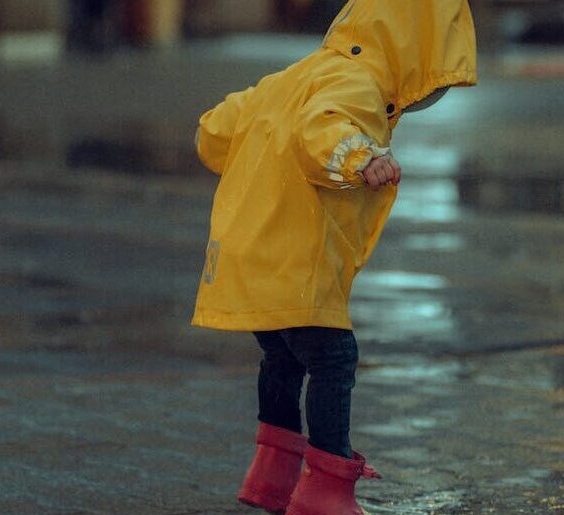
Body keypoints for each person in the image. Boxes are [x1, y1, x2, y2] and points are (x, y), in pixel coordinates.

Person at [191, 1, 477, 513]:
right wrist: (360, 157)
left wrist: (262, 142)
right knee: (333, 358)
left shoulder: (294, 75)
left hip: (250, 252)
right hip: (295, 261)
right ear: (410, 54)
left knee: (281, 356)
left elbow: (215, 131)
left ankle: (271, 475)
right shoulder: (359, 82)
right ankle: (326, 486)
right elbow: (321, 131)